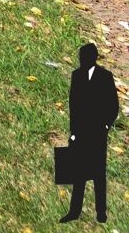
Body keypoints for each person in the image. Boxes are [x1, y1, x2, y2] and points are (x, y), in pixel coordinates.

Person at [66, 42, 120, 223]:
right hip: (81, 131)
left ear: (93, 58)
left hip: (97, 132)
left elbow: (113, 105)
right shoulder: (76, 76)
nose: (83, 60)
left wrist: (105, 126)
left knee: (98, 175)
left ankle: (101, 213)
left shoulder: (105, 76)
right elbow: (73, 106)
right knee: (78, 174)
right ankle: (74, 212)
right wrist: (73, 132)